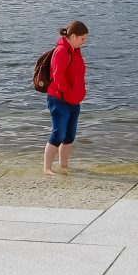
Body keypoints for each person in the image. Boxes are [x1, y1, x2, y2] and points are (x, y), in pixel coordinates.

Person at [44, 20, 89, 175]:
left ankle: (64, 166)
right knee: (58, 133)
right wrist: (69, 94)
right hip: (59, 99)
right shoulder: (62, 51)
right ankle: (47, 168)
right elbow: (58, 77)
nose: (84, 42)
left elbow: (78, 74)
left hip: (73, 100)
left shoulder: (76, 51)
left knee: (69, 135)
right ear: (73, 36)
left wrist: (80, 92)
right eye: (82, 38)